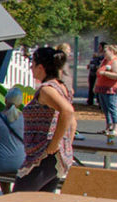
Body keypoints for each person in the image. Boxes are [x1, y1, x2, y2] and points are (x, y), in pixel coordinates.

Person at [16, 44, 76, 193]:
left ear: (41, 67)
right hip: (53, 157)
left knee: (18, 199)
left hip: (44, 155)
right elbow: (72, 121)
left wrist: (55, 144)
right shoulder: (62, 87)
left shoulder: (47, 90)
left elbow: (67, 112)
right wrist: (66, 145)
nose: (31, 69)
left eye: (33, 65)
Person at [94, 43, 117, 140]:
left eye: (105, 51)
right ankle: (108, 126)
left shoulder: (116, 62)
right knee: (105, 109)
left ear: (111, 51)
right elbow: (98, 72)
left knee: (112, 107)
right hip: (102, 88)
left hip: (112, 89)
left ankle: (116, 128)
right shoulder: (105, 61)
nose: (104, 53)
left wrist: (105, 73)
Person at [0, 87, 27, 174]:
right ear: (19, 104)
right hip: (21, 163)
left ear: (5, 100)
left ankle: (5, 188)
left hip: (1, 163)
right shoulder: (25, 119)